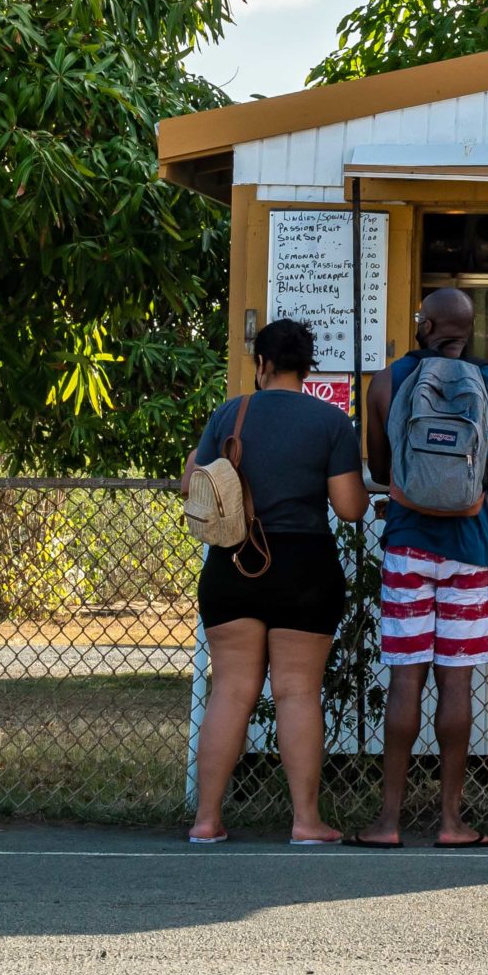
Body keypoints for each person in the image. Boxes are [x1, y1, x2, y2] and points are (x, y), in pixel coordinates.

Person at [182, 319, 368, 846]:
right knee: (297, 692)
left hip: (233, 563)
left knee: (231, 690)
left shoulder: (229, 414)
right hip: (304, 567)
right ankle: (306, 822)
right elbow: (349, 508)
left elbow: (191, 484)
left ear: (260, 364)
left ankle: (206, 820)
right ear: (307, 368)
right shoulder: (331, 422)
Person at [353, 287, 488, 848]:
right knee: (457, 681)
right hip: (470, 552)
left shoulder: (388, 382)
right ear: (470, 331)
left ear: (424, 325)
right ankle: (451, 822)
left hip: (407, 547)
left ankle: (388, 822)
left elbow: (380, 467)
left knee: (407, 678)